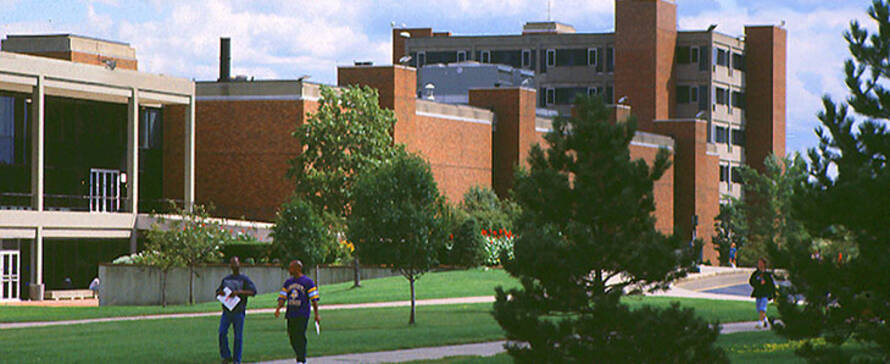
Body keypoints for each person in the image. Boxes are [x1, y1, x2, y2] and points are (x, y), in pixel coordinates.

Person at [275, 260, 320, 364]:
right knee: (292, 336)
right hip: (291, 314)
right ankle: (299, 355)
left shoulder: (308, 282)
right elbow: (283, 297)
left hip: (302, 313)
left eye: (291, 268)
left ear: (298, 268)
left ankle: (301, 359)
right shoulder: (288, 282)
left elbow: (314, 299)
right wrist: (278, 309)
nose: (289, 270)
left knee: (300, 335)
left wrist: (317, 314)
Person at [216, 256, 257, 364]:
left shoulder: (244, 279)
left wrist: (239, 292)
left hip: (238, 311)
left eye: (236, 263)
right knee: (222, 333)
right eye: (232, 263)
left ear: (239, 265)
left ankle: (236, 360)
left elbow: (253, 292)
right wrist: (220, 293)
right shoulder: (226, 279)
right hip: (227, 311)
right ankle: (226, 356)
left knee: (238, 337)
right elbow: (218, 290)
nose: (234, 265)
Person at [749, 257, 776, 329]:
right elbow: (751, 281)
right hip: (758, 293)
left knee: (762, 308)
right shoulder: (756, 274)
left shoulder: (767, 274)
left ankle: (760, 323)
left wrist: (774, 295)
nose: (759, 264)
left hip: (765, 294)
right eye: (758, 263)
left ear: (764, 264)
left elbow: (771, 285)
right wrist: (758, 283)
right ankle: (765, 320)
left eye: (761, 263)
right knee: (759, 309)